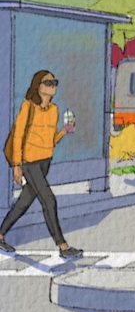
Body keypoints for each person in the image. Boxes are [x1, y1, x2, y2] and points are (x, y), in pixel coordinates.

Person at [0, 70, 84, 257]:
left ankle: (0, 234)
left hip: (45, 161)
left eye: (54, 82)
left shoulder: (54, 110)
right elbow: (18, 136)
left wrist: (64, 132)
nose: (52, 85)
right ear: (37, 86)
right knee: (49, 200)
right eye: (48, 82)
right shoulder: (28, 106)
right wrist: (16, 165)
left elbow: (50, 141)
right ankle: (63, 246)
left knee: (23, 203)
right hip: (29, 163)